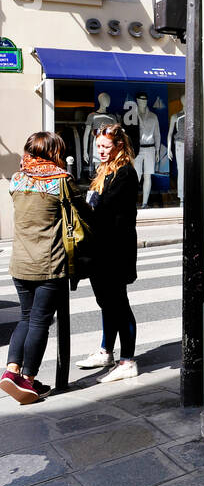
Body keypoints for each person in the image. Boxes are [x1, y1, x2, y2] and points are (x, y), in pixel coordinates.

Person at [2, 131, 75, 404]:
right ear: (54, 152)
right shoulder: (61, 180)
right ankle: (29, 381)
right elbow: (80, 212)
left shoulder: (17, 180)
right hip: (48, 264)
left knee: (25, 317)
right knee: (40, 322)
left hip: (19, 262)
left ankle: (11, 371)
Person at [77, 123, 139, 381]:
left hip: (116, 249)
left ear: (119, 146)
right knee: (106, 302)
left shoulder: (124, 173)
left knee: (118, 303)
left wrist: (83, 203)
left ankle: (127, 360)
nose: (101, 151)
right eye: (98, 146)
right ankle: (106, 350)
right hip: (101, 248)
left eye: (106, 146)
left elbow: (103, 210)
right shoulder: (104, 170)